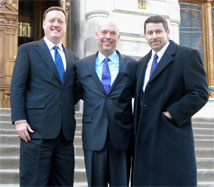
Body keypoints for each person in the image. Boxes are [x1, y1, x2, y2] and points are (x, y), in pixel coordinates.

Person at [132, 15, 209, 186]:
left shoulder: (187, 55)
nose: (154, 36)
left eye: (158, 31)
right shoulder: (142, 63)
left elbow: (200, 93)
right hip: (146, 139)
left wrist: (171, 114)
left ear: (167, 31)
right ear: (145, 35)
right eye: (150, 32)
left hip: (172, 137)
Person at [10, 6, 79, 186]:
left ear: (65, 27)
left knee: (64, 183)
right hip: (35, 131)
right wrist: (19, 119)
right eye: (51, 21)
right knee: (34, 183)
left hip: (64, 134)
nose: (56, 24)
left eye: (60, 21)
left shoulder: (73, 58)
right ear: (43, 24)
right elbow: (17, 87)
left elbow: (73, 92)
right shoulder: (28, 50)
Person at [76, 19, 138, 186]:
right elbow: (77, 94)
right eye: (104, 32)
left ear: (118, 36)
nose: (107, 37)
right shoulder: (81, 66)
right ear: (97, 35)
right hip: (93, 136)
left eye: (112, 33)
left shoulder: (132, 66)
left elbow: (140, 97)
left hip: (122, 136)